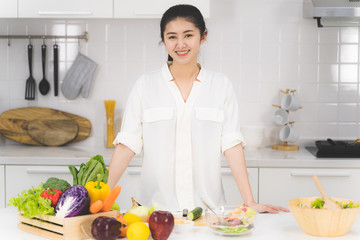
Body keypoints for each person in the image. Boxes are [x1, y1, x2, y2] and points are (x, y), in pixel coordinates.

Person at [108, 4, 288, 214]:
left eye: (188, 35)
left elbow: (232, 146)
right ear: (163, 39)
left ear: (203, 37)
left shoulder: (221, 86)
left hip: (209, 214)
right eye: (172, 37)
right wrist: (97, 199)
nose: (180, 44)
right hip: (154, 213)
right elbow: (126, 146)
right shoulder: (145, 86)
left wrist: (249, 201)